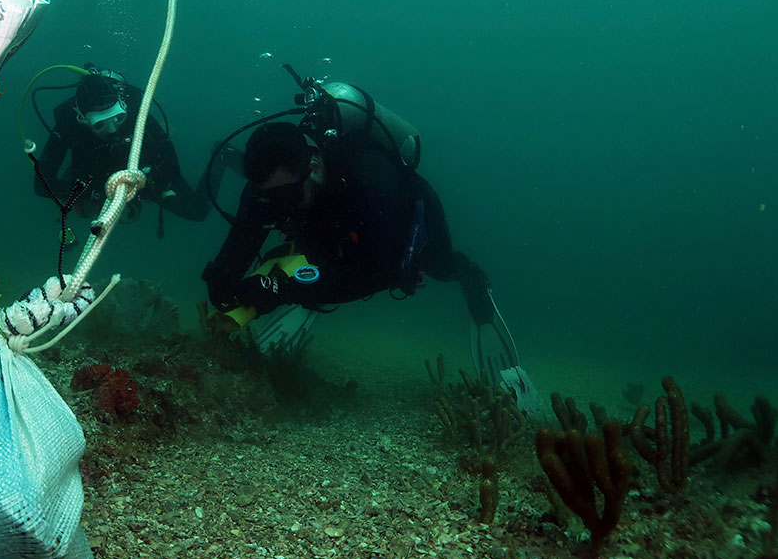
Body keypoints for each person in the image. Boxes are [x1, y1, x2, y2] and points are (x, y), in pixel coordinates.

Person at [201, 113, 538, 413]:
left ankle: (471, 278)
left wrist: (283, 289)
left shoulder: (367, 179)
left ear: (313, 168)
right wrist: (224, 279)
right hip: (331, 233)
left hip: (403, 223)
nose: (276, 207)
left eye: (285, 197)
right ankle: (305, 276)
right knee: (304, 255)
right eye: (268, 198)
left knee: (436, 264)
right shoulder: (270, 188)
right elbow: (241, 243)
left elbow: (379, 273)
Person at [32, 65, 221, 233]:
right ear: (82, 118)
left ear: (123, 106)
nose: (112, 129)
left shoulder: (134, 111)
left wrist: (148, 181)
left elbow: (171, 163)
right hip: (93, 175)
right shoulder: (69, 124)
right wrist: (89, 191)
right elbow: (42, 185)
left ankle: (222, 156)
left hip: (145, 173)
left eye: (118, 118)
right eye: (100, 125)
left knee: (198, 211)